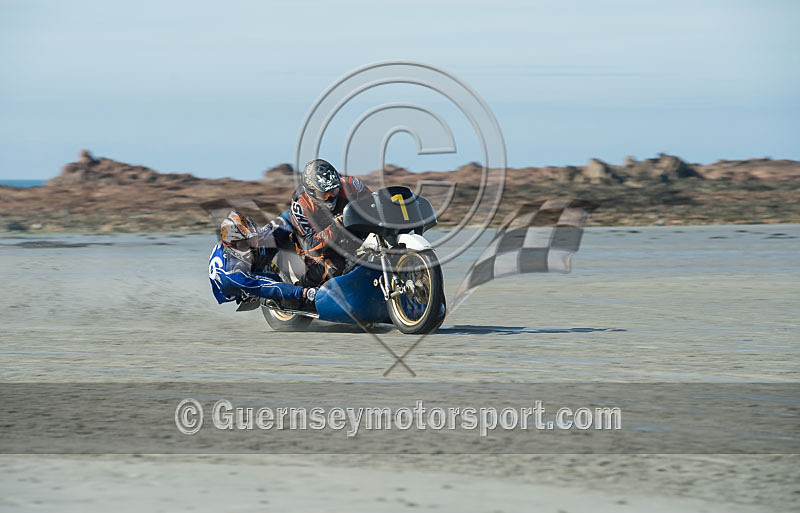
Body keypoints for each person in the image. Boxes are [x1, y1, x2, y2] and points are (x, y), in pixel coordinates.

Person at [208, 210, 317, 311]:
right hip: (239, 286)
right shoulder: (232, 271)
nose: (252, 247)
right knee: (290, 298)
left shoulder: (252, 238)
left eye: (253, 240)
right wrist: (304, 293)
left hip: (249, 263)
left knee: (286, 229)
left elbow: (287, 217)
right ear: (231, 246)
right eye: (244, 244)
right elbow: (262, 286)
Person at [286, 159, 372, 285]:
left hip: (352, 234)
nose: (331, 196)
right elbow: (311, 245)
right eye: (324, 194)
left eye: (334, 191)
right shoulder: (301, 205)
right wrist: (336, 225)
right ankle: (301, 296)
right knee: (330, 269)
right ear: (311, 192)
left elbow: (373, 205)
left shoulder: (351, 184)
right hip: (317, 245)